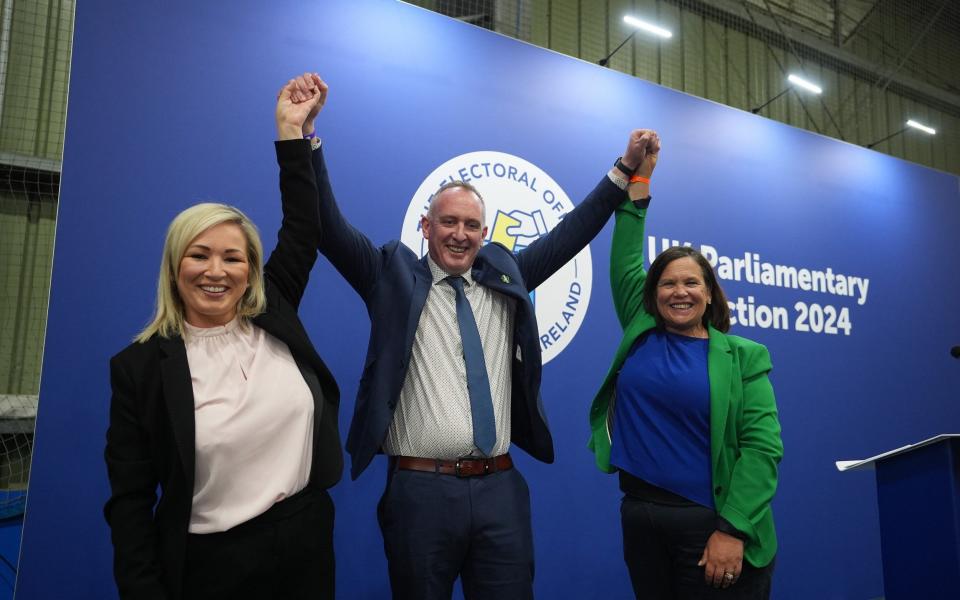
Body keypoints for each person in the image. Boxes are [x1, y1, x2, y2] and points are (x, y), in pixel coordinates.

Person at [286, 72, 650, 599]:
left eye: (471, 225)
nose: (460, 234)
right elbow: (325, 223)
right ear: (427, 228)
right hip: (419, 491)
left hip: (501, 487)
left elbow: (572, 232)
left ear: (485, 233)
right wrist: (306, 138)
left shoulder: (506, 279)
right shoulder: (388, 276)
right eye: (448, 222)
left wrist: (624, 171)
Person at [103, 78, 342, 600]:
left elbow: (304, 226)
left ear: (251, 270)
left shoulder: (273, 310)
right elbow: (131, 501)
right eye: (199, 255)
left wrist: (290, 131)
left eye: (233, 257)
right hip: (211, 568)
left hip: (305, 544)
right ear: (174, 268)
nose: (217, 271)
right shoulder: (138, 368)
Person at [586, 136, 783, 599]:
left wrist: (731, 529)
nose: (680, 291)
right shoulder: (641, 327)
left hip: (713, 526)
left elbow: (761, 451)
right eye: (668, 283)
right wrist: (640, 179)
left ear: (710, 292)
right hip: (641, 517)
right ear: (653, 294)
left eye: (692, 282)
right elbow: (627, 253)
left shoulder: (744, 356)